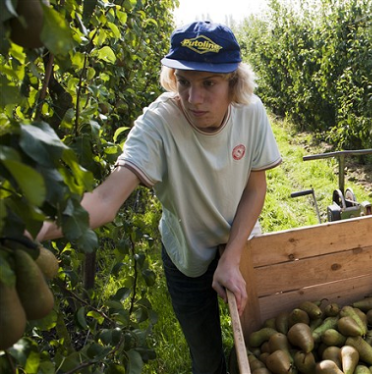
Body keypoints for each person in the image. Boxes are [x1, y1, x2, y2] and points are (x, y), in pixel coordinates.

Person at [35, 21, 282, 374]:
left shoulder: (251, 113)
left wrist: (231, 257)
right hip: (186, 252)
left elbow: (256, 188)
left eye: (208, 83)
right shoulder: (159, 123)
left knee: (260, 341)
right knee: (206, 356)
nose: (194, 98)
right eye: (184, 81)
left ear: (233, 82)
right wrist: (37, 228)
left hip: (240, 241)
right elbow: (105, 201)